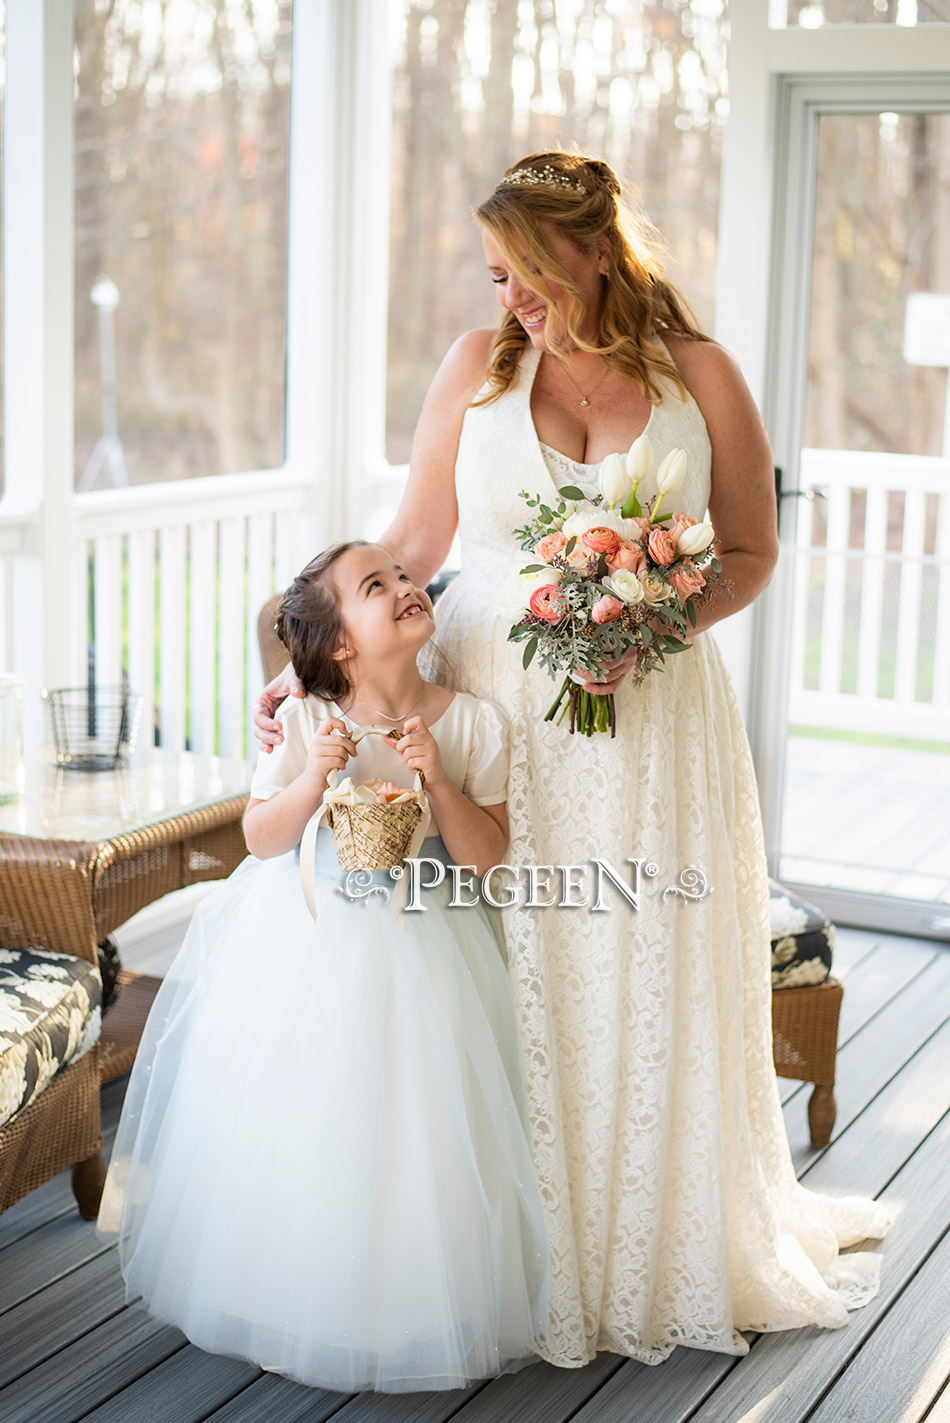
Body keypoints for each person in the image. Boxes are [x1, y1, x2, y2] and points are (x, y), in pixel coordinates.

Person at [253, 151, 894, 1370]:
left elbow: (748, 551)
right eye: (495, 274)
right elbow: (414, 537)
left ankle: (653, 1239)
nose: (510, 299)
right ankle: (517, 1254)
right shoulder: (476, 365)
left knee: (638, 947)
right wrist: (310, 657)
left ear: (596, 250)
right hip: (493, 706)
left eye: (528, 272)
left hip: (647, 721)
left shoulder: (696, 373)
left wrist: (649, 621)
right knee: (514, 961)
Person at [96, 539, 550, 1394]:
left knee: (415, 1115)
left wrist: (438, 782)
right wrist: (310, 779)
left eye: (406, 577)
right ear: (341, 643)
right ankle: (286, 1289)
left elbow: (491, 858)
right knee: (308, 1102)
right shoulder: (309, 718)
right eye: (377, 586)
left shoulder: (471, 721)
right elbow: (263, 838)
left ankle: (405, 1299)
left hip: (427, 934)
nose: (409, 588)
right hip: (307, 929)